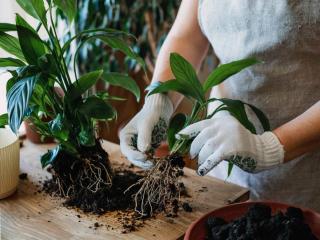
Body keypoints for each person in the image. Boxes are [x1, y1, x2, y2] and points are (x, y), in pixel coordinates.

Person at [119, 0, 320, 211]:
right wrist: (158, 100)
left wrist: (268, 148)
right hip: (222, 155)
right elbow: (187, 37)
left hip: (304, 172)